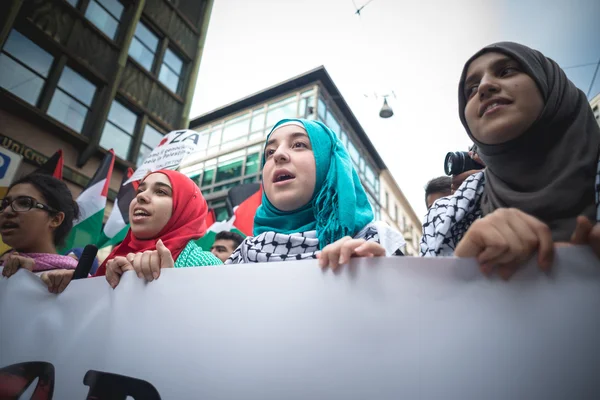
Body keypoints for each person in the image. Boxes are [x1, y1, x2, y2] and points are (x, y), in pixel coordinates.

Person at [421, 41, 600, 280]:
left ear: (549, 84)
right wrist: (461, 275)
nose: (484, 87)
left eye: (506, 71)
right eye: (471, 89)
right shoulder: (443, 219)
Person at [227, 118, 405, 267]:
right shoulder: (242, 256)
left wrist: (377, 276)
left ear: (328, 166)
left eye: (298, 144)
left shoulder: (374, 241)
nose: (278, 155)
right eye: (270, 152)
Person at [42, 170, 222, 292]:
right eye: (140, 191)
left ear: (184, 209)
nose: (141, 196)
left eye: (160, 192)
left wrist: (169, 283)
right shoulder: (116, 259)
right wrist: (77, 288)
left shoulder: (206, 265)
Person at [0, 173, 80, 278]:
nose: (7, 211)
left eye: (24, 203)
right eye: (5, 204)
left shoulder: (74, 281)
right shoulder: (4, 266)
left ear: (55, 219)